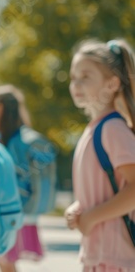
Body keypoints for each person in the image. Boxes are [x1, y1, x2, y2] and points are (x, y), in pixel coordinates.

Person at [65, 39, 135, 271]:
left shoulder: (113, 129)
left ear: (112, 83)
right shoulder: (93, 130)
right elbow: (105, 187)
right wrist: (80, 207)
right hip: (99, 255)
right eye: (73, 77)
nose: (76, 83)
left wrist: (92, 217)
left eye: (85, 76)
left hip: (115, 256)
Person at [0, 85, 44, 272]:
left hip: (1, 211)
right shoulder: (25, 139)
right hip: (23, 209)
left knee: (6, 263)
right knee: (8, 264)